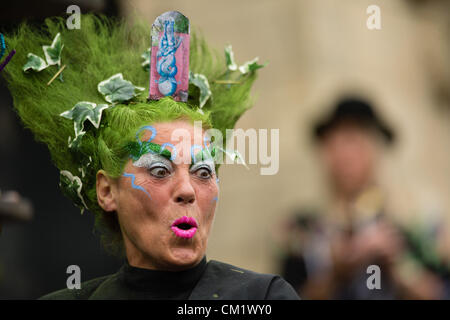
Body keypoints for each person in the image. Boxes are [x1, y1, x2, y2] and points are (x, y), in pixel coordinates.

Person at [1, 13, 299, 300]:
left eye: (204, 172)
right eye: (159, 170)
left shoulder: (262, 297)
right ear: (106, 190)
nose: (187, 190)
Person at [279, 97, 449, 299]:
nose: (347, 155)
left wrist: (396, 268)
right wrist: (337, 272)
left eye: (356, 142)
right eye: (338, 144)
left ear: (376, 149)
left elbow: (439, 292)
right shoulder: (301, 230)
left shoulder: (415, 228)